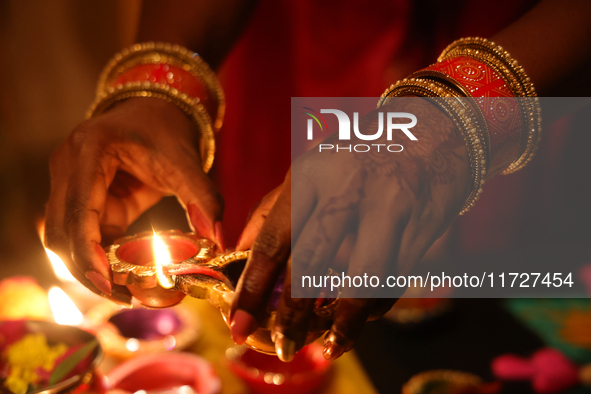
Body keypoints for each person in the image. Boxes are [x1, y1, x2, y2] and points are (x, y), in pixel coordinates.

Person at [44, 0, 591, 362]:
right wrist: (157, 86)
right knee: (282, 266)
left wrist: (459, 120)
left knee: (489, 336)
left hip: (535, 55)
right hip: (306, 57)